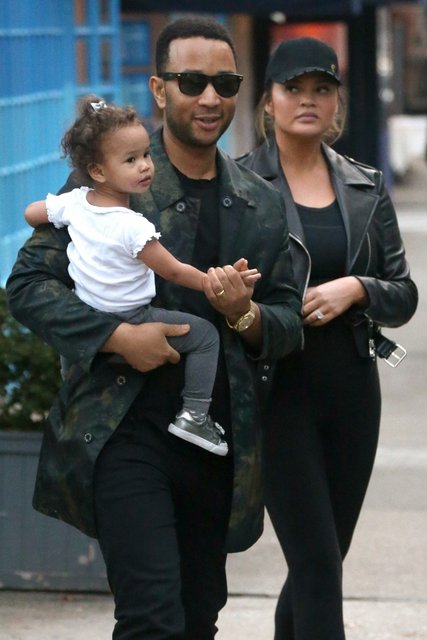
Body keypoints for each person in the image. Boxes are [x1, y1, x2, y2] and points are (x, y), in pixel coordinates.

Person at [6, 16, 302, 640]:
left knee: (196, 618)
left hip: (215, 440)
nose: (210, 98)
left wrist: (242, 314)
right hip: (124, 430)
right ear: (160, 89)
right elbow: (29, 286)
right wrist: (117, 338)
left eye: (225, 83)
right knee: (151, 619)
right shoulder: (107, 183)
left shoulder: (262, 202)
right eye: (192, 82)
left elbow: (286, 322)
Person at [238, 37, 418, 640]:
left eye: (322, 89)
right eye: (293, 88)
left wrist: (357, 288)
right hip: (277, 391)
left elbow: (404, 294)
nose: (307, 100)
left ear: (337, 102)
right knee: (317, 564)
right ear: (269, 101)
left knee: (320, 566)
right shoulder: (239, 184)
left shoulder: (366, 185)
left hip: (353, 392)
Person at [24, 95, 261, 457]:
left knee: (74, 356)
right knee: (205, 337)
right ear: (98, 171)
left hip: (88, 317)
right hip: (132, 317)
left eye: (146, 155)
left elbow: (31, 213)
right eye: (131, 160)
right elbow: (173, 270)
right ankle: (194, 415)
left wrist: (59, 216)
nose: (146, 166)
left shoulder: (74, 203)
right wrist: (212, 282)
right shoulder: (133, 226)